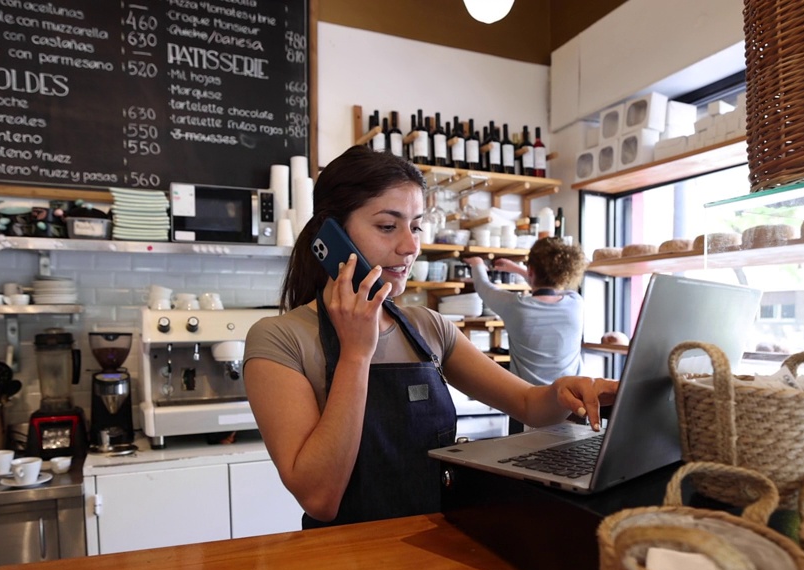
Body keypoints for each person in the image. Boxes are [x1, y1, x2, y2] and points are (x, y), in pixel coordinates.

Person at [243, 145, 617, 529]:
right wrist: (356, 353)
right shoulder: (278, 341)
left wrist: (561, 392)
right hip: (346, 566)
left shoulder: (429, 327)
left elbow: (527, 404)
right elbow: (320, 498)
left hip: (440, 547)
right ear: (332, 235)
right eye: (388, 226)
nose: (410, 247)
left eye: (416, 226)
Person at [463, 236, 587, 387]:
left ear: (531, 270)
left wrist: (478, 264)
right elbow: (552, 288)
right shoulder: (576, 303)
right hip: (573, 400)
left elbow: (484, 287)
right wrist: (520, 270)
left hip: (529, 402)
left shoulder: (515, 307)